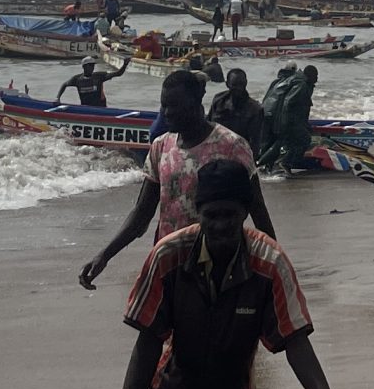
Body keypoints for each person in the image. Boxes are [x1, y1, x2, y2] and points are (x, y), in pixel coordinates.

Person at [96, 159, 374, 389]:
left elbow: (295, 341)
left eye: (229, 215)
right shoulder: (168, 256)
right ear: (197, 212)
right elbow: (148, 341)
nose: (220, 225)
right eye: (211, 215)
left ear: (244, 212)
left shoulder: (269, 263)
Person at [78, 70, 270, 290]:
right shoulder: (161, 147)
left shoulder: (231, 146)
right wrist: (105, 255)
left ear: (196, 102)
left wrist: (273, 262)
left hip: (220, 266)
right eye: (163, 106)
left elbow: (258, 208)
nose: (167, 113)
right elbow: (142, 212)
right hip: (169, 262)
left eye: (174, 105)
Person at [259, 64, 319, 171]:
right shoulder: (301, 84)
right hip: (283, 119)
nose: (317, 79)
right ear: (311, 75)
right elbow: (289, 102)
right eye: (316, 76)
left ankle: (264, 166)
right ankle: (286, 163)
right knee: (304, 139)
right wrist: (285, 124)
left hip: (270, 115)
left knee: (278, 143)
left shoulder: (291, 79)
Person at [207, 67, 266, 149]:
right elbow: (208, 126)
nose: (239, 88)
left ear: (246, 83)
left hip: (240, 152)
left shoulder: (255, 109)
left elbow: (255, 142)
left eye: (241, 84)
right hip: (216, 148)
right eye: (235, 85)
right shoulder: (219, 100)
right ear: (227, 84)